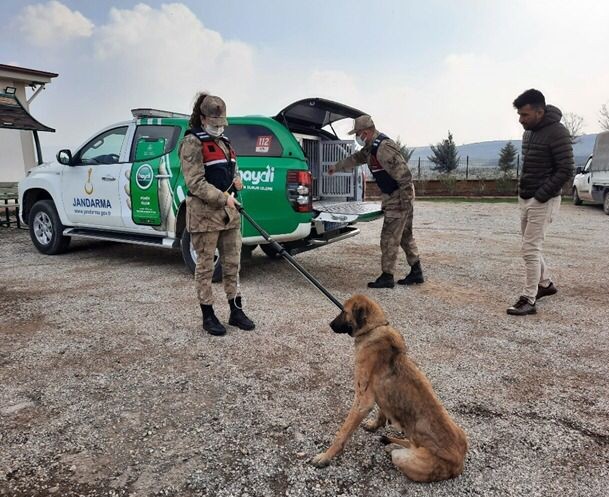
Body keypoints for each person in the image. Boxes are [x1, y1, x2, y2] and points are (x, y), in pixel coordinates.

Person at [179, 93, 255, 335]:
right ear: (202, 118)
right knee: (205, 267)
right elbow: (195, 183)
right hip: (204, 216)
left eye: (222, 123)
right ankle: (208, 314)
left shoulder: (225, 142)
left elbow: (233, 168)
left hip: (228, 216)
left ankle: (236, 309)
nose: (219, 127)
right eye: (214, 123)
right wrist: (225, 198)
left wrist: (237, 180)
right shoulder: (192, 142)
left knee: (233, 264)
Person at [329, 115, 423, 288]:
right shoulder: (370, 148)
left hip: (399, 196)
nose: (357, 137)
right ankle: (416, 272)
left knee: (388, 237)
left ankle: (387, 276)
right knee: (404, 235)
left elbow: (405, 176)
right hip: (395, 196)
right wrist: (337, 166)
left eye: (358, 133)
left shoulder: (383, 148)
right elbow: (356, 158)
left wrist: (405, 203)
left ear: (365, 132)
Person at [507, 89, 574, 316]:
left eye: (524, 115)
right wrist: (525, 191)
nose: (520, 119)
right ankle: (545, 284)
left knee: (529, 249)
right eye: (519, 114)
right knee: (530, 244)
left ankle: (528, 299)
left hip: (543, 200)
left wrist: (542, 195)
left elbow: (566, 169)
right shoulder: (530, 133)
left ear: (539, 111)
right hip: (527, 196)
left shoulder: (558, 132)